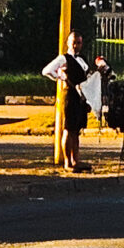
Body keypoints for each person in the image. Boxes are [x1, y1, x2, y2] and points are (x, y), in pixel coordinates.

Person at [44, 29, 94, 172]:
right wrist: (60, 77)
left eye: (79, 43)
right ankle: (67, 162)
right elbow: (46, 70)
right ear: (68, 43)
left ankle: (76, 160)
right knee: (69, 128)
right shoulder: (64, 58)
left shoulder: (82, 59)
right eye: (74, 43)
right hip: (70, 95)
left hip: (81, 96)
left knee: (76, 130)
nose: (76, 45)